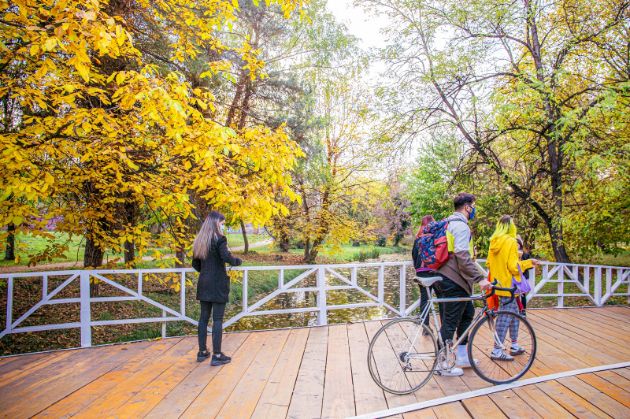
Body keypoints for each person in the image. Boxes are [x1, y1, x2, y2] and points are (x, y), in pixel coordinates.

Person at [433, 193, 491, 376]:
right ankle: (441, 364)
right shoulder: (461, 227)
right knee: (450, 323)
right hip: (453, 280)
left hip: (449, 278)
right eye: (473, 206)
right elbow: (462, 257)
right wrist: (480, 279)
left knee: (468, 313)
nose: (474, 210)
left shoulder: (449, 223)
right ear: (467, 207)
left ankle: (462, 354)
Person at [192, 211, 242, 366]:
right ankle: (217, 355)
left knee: (203, 318)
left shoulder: (200, 240)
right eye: (222, 223)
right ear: (216, 223)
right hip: (218, 283)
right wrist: (237, 261)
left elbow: (196, 264)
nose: (223, 225)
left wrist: (206, 272)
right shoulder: (220, 239)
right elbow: (226, 257)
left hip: (204, 283)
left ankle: (202, 352)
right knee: (218, 319)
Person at [486, 216, 538, 361]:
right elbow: (513, 267)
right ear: (511, 226)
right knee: (505, 317)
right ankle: (497, 350)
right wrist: (528, 263)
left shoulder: (494, 242)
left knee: (515, 313)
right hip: (509, 285)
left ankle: (514, 345)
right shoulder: (510, 241)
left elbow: (489, 263)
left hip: (497, 284)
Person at [412, 215, 439, 333]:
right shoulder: (435, 238)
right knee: (441, 299)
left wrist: (418, 268)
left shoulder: (417, 240)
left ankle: (425, 327)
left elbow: (413, 256)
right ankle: (443, 329)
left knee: (424, 299)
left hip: (420, 273)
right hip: (434, 272)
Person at [516, 236, 532, 315]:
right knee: (515, 295)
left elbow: (530, 266)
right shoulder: (511, 254)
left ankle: (523, 311)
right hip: (514, 277)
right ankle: (518, 309)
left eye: (518, 244)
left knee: (522, 294)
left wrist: (523, 263)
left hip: (523, 277)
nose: (516, 245)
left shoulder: (525, 254)